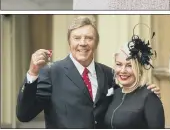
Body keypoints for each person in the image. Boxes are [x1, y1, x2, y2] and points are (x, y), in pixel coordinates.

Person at [16, 16, 160, 129]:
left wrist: (146, 93)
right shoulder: (51, 72)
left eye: (89, 38)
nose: (83, 43)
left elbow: (126, 101)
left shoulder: (109, 74)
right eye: (77, 38)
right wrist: (32, 73)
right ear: (69, 42)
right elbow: (24, 114)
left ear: (96, 43)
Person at [104, 29, 165, 128]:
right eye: (119, 64)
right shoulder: (115, 93)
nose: (123, 70)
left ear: (139, 69)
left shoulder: (149, 97)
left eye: (129, 65)